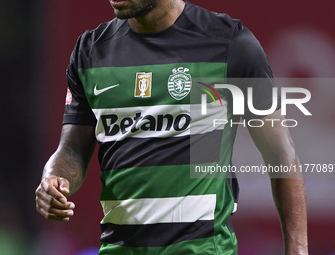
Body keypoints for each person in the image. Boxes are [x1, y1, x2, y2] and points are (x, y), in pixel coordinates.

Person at [35, 0, 308, 254]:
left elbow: (280, 154)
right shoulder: (91, 51)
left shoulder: (230, 43)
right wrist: (54, 179)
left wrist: (298, 251)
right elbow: (72, 149)